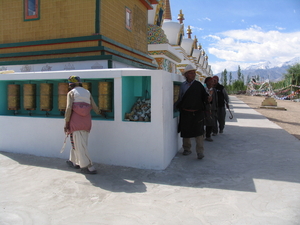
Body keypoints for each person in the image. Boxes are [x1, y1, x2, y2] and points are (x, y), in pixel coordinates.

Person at [64, 76, 101, 174]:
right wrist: (99, 112)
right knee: (80, 143)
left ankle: (88, 166)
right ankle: (73, 161)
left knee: (80, 145)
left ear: (71, 84)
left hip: (75, 122)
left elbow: (68, 109)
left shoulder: (71, 93)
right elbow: (94, 106)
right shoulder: (87, 92)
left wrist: (66, 123)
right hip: (86, 122)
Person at [175, 65, 211, 159]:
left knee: (199, 133)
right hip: (186, 113)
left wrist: (208, 98)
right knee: (185, 131)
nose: (193, 75)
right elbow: (180, 98)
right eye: (191, 73)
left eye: (194, 73)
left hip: (197, 113)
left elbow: (205, 97)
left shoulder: (198, 85)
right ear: (186, 75)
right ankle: (187, 149)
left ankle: (200, 152)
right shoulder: (182, 86)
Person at [204, 77, 218, 142]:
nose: (213, 83)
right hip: (204, 108)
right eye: (211, 81)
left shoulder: (214, 90)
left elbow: (216, 100)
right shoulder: (203, 90)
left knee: (211, 122)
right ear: (207, 82)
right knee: (203, 121)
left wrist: (215, 107)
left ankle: (208, 135)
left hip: (212, 108)